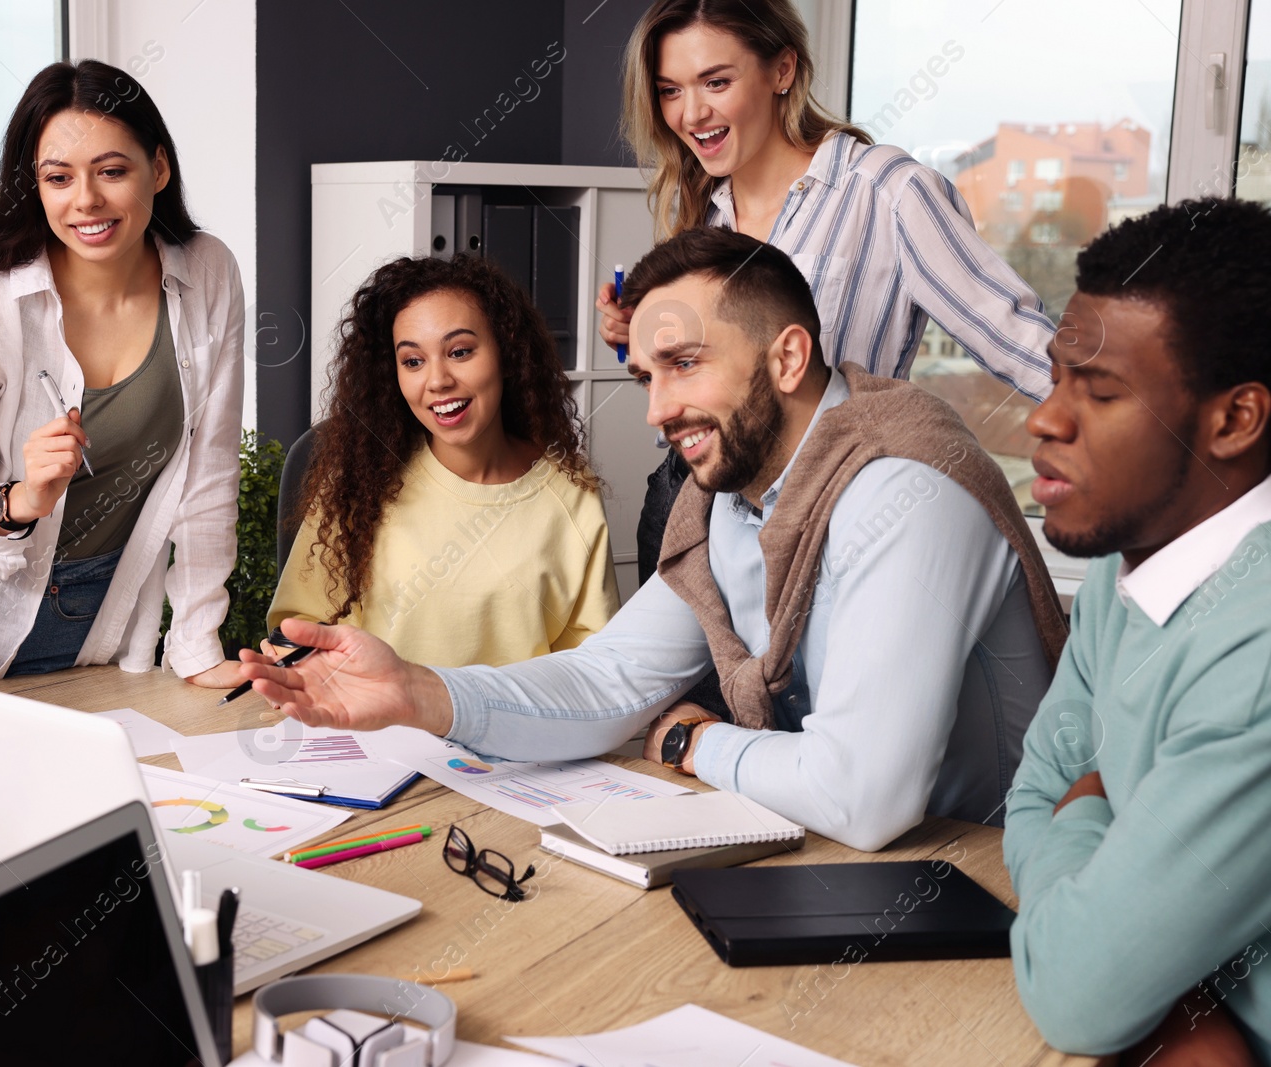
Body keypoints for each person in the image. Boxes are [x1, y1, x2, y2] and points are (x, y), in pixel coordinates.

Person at [239, 228, 1066, 852]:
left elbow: (864, 795)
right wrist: (423, 692)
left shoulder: (905, 486)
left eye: (685, 363)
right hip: (838, 856)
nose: (657, 410)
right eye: (646, 375)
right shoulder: (728, 502)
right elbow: (608, 678)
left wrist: (690, 739)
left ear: (787, 357)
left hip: (978, 877)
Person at [603, 0, 1058, 722]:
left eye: (715, 81)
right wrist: (642, 345)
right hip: (695, 507)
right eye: (669, 89)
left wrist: (1160, 434)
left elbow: (1018, 338)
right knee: (690, 756)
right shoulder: (703, 210)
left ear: (783, 68)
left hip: (833, 515)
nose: (690, 112)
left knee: (819, 754)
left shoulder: (888, 192)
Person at [1004, 198, 1271, 1064]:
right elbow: (1038, 786)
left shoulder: (1258, 644)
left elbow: (1080, 992)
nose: (1045, 419)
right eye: (1056, 375)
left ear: (1234, 421)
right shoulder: (1134, 566)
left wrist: (1091, 808)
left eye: (1101, 390)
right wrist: (1183, 1000)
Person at [0, 60, 245, 686]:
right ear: (35, 186)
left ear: (159, 168)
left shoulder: (208, 273)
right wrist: (20, 503)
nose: (86, 200)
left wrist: (199, 646)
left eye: (112, 171)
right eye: (58, 177)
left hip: (108, 621)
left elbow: (210, 473)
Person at [270, 254, 619, 665]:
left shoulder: (570, 492)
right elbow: (299, 626)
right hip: (376, 725)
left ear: (506, 353)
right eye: (413, 361)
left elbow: (594, 668)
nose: (437, 381)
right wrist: (299, 659)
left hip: (513, 728)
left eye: (460, 351)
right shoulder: (358, 482)